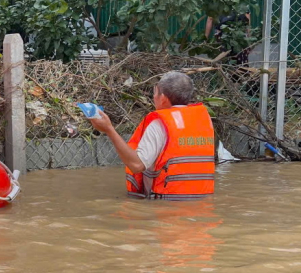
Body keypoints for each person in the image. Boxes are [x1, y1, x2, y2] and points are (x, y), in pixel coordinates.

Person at [88, 71, 215, 200]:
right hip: (203, 202)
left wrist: (109, 130)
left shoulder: (159, 124)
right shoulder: (205, 120)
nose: (153, 97)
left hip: (167, 205)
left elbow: (137, 166)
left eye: (155, 93)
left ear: (163, 98)